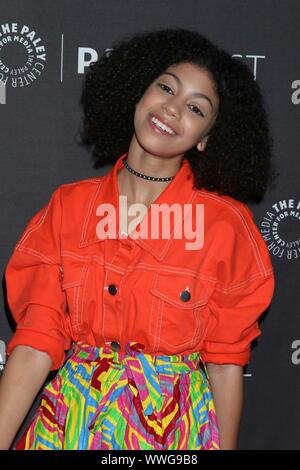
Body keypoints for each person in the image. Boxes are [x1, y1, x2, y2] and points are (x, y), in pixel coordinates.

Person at [0, 28, 276, 450]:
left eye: (196, 109)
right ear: (138, 93)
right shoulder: (68, 207)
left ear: (205, 138)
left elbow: (225, 364)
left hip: (174, 437)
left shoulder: (227, 227)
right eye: (165, 87)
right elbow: (36, 343)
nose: (171, 108)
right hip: (70, 429)